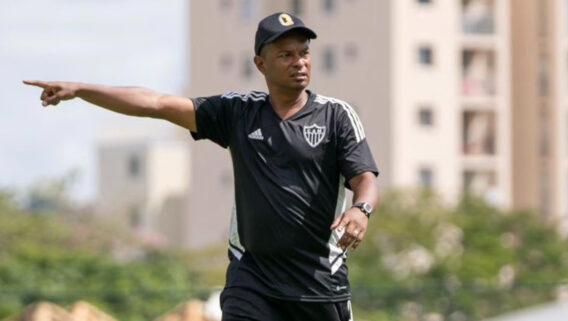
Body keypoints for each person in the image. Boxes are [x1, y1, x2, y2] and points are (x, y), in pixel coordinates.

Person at [24, 12, 379, 321]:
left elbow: (364, 178)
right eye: (286, 55)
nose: (299, 62)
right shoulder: (238, 113)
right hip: (253, 279)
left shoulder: (337, 115)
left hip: (318, 283)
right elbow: (156, 104)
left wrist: (361, 210)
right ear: (260, 64)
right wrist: (81, 89)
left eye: (303, 53)